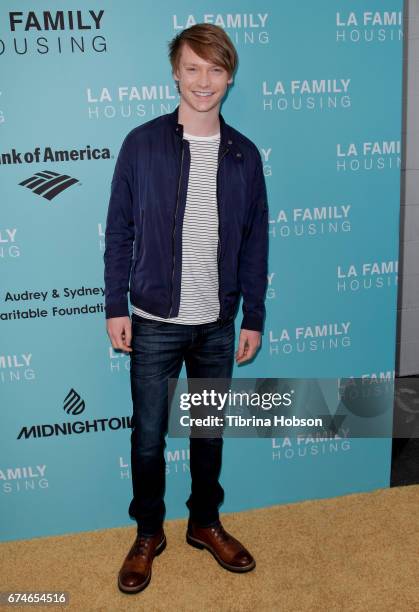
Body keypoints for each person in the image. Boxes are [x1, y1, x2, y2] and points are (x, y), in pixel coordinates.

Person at [104, 23, 268, 594]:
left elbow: (254, 242)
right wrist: (114, 304)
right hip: (153, 323)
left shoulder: (245, 155)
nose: (204, 81)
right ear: (176, 72)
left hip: (218, 326)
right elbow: (119, 232)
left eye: (215, 69)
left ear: (229, 76)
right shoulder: (141, 143)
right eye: (193, 68)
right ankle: (149, 532)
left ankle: (204, 523)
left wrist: (255, 316)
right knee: (148, 438)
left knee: (208, 434)